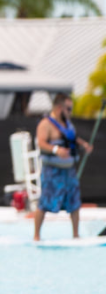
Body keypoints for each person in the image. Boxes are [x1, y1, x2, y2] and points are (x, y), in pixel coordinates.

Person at [34, 92, 93, 241]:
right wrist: (56, 150)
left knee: (74, 201)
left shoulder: (67, 124)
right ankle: (36, 236)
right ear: (60, 107)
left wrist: (84, 144)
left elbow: (71, 138)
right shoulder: (46, 124)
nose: (70, 112)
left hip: (69, 170)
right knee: (45, 201)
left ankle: (76, 235)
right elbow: (41, 142)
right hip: (52, 170)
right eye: (69, 108)